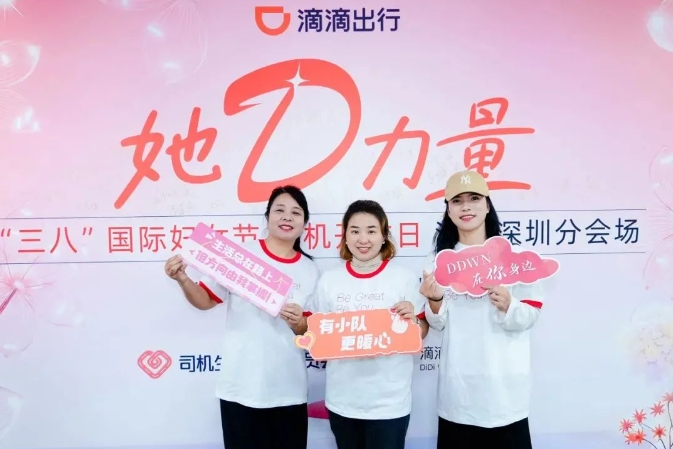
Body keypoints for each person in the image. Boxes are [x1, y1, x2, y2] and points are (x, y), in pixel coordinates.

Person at [163, 185, 320, 449]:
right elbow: (205, 300)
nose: (287, 217)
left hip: (288, 391)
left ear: (305, 223)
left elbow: (310, 332)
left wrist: (299, 323)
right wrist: (183, 279)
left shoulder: (310, 269)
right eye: (279, 210)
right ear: (267, 216)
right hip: (240, 387)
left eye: (296, 212)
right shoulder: (240, 257)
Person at [420, 170, 543, 449]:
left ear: (487, 205)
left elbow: (531, 313)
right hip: (458, 394)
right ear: (448, 210)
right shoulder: (438, 260)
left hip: (505, 395)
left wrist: (509, 305)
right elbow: (437, 323)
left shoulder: (515, 256)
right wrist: (435, 300)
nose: (466, 207)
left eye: (474, 198)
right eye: (457, 201)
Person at [312, 199, 429, 449]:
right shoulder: (329, 280)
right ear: (345, 236)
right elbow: (317, 334)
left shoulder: (404, 278)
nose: (363, 239)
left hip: (389, 404)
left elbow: (422, 331)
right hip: (342, 401)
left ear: (384, 236)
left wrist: (412, 324)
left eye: (371, 231)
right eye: (355, 231)